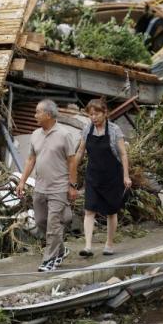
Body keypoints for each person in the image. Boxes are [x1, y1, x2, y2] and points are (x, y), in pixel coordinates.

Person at [15, 99, 78, 272]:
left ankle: (49, 260)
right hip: (40, 187)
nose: (35, 115)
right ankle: (61, 249)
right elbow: (30, 160)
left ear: (48, 114)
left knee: (53, 224)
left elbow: (72, 162)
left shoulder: (64, 135)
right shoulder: (35, 134)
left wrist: (72, 185)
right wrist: (22, 181)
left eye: (37, 112)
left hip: (59, 186)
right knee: (42, 220)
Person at [75, 98, 131, 257]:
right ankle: (87, 247)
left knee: (111, 212)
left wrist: (126, 176)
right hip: (93, 176)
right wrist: (71, 169)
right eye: (91, 114)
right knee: (89, 210)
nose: (94, 117)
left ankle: (109, 244)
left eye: (97, 114)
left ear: (105, 113)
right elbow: (80, 152)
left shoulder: (114, 130)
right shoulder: (87, 130)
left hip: (112, 176)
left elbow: (123, 154)